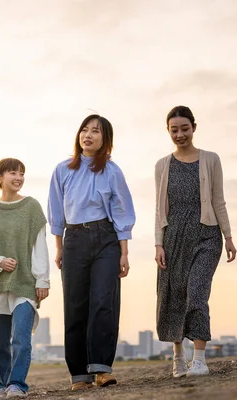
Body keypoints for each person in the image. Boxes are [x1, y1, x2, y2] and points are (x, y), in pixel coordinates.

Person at [47, 115, 135, 391]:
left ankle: (101, 368)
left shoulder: (111, 170)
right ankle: (79, 375)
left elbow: (122, 211)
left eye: (95, 131)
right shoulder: (63, 170)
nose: (88, 135)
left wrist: (124, 252)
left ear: (104, 139)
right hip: (73, 239)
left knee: (103, 300)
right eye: (84, 130)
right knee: (75, 304)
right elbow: (57, 212)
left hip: (106, 239)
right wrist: (59, 248)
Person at [154, 106, 237, 378]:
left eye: (184, 129)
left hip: (206, 234)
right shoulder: (162, 165)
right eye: (174, 130)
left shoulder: (211, 159)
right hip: (173, 236)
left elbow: (218, 200)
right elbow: (159, 209)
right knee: (175, 296)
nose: (180, 134)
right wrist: (158, 243)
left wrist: (228, 237)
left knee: (198, 293)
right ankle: (178, 357)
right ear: (168, 131)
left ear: (194, 127)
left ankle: (199, 360)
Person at [0, 158, 50, 399]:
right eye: (13, 173)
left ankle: (17, 384)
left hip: (24, 283)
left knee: (21, 337)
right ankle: (2, 384)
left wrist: (43, 279)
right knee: (0, 343)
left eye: (22, 173)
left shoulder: (31, 206)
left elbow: (40, 245)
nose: (19, 177)